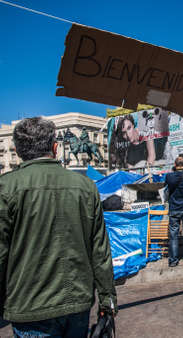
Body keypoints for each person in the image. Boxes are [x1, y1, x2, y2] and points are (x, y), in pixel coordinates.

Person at [0, 117, 117, 336]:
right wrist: (107, 300)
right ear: (55, 147)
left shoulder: (6, 188)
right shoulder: (85, 187)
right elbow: (100, 250)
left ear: (17, 151)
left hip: (30, 307)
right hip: (77, 303)